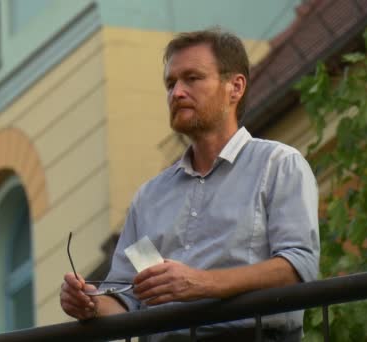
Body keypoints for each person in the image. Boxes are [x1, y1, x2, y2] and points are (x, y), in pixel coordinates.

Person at [60, 28, 319, 341]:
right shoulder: (149, 197)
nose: (177, 92)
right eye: (170, 83)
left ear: (235, 87)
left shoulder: (278, 164)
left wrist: (200, 283)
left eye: (192, 78)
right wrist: (91, 304)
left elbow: (298, 268)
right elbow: (125, 299)